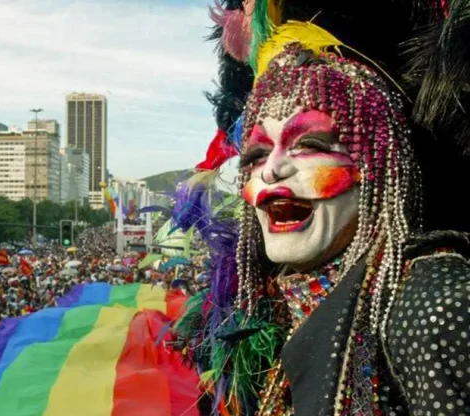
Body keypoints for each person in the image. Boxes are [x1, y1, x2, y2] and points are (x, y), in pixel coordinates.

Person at [174, 1, 470, 415]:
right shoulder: (264, 313)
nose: (272, 170)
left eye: (309, 145)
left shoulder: (437, 304)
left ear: (380, 167)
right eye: (257, 154)